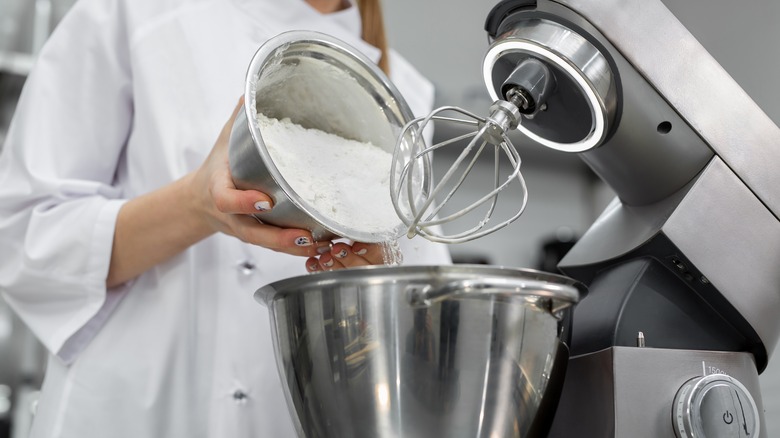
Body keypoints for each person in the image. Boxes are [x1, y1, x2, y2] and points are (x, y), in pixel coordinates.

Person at [0, 0, 451, 436]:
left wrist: (372, 292)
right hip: (131, 411)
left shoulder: (403, 98)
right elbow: (24, 239)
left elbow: (414, 323)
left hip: (291, 416)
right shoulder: (137, 13)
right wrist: (196, 205)